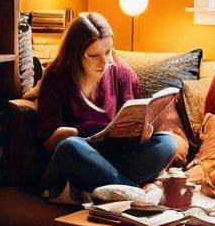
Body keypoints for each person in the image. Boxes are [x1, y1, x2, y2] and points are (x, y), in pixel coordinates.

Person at [36, 12, 179, 199]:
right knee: (68, 146)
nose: (104, 62)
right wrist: (69, 133)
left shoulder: (122, 72)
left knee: (167, 143)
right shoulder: (56, 77)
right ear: (75, 55)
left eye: (108, 52)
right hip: (82, 158)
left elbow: (134, 123)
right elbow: (49, 143)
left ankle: (115, 188)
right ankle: (135, 192)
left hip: (117, 157)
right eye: (93, 55)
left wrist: (142, 133)